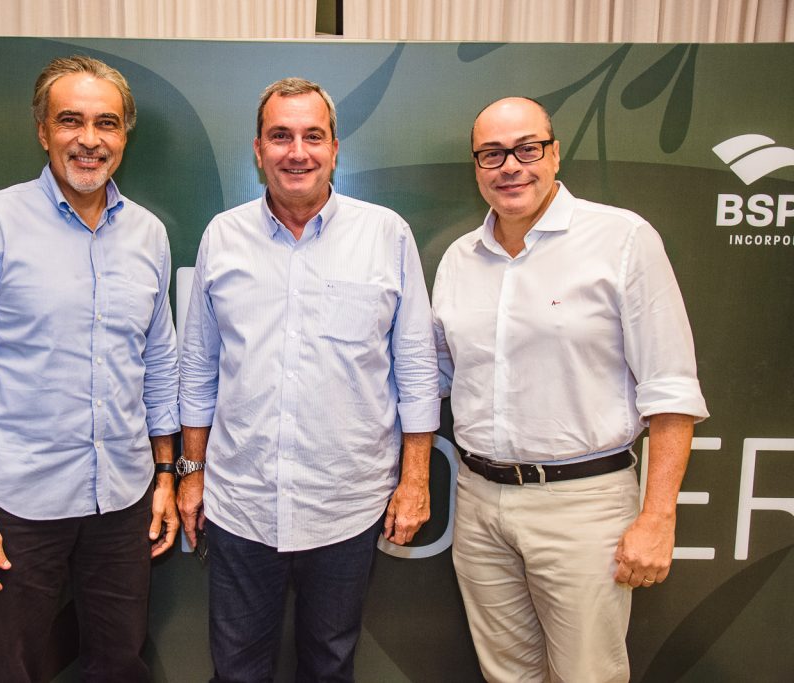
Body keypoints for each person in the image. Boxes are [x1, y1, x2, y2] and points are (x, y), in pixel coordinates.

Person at [432, 96, 709, 682]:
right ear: (476, 167)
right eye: (491, 154)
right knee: (506, 674)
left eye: (527, 149)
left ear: (554, 154)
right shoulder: (459, 259)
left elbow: (671, 388)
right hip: (479, 503)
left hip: (584, 506)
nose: (511, 166)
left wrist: (658, 516)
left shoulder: (622, 239)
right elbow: (436, 377)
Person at [0, 55, 179, 682]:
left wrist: (165, 475)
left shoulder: (148, 234)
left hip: (123, 498)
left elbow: (158, 363)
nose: (89, 139)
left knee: (119, 663)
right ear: (43, 131)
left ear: (124, 137)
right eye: (71, 121)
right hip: (17, 503)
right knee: (10, 669)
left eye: (106, 123)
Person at [177, 77, 439, 682]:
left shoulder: (386, 234)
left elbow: (416, 368)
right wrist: (192, 473)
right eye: (280, 136)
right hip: (241, 503)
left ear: (335, 148)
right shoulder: (223, 235)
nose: (297, 152)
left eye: (312, 136)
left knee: (330, 666)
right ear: (257, 150)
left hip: (346, 504)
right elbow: (199, 368)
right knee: (237, 671)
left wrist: (415, 480)